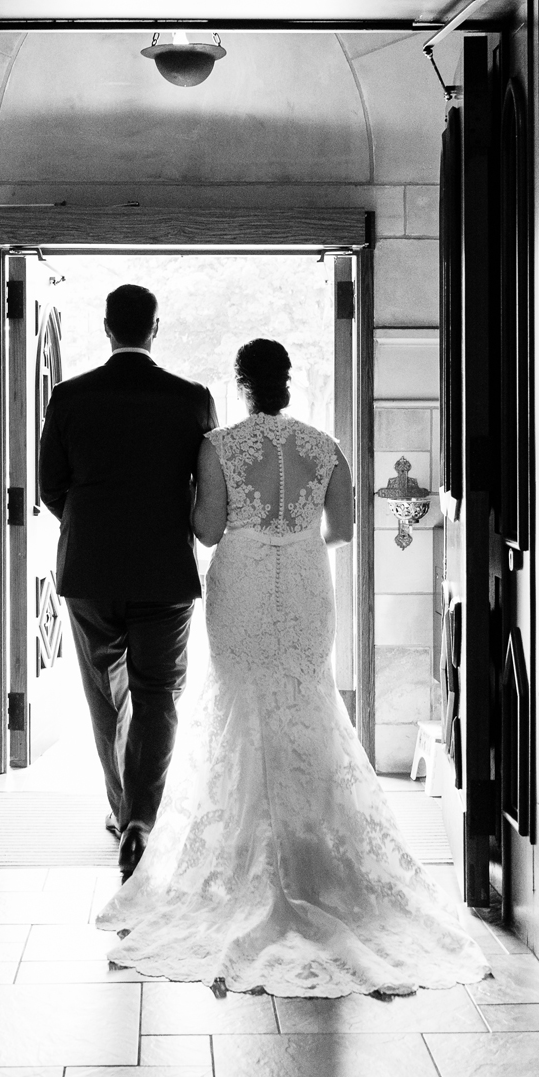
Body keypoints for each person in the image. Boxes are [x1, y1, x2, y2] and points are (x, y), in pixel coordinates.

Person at [95, 339, 491, 998]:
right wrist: (293, 533)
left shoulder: (218, 446)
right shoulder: (323, 445)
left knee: (241, 709)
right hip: (307, 581)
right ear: (285, 381)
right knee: (306, 709)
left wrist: (215, 510)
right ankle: (318, 864)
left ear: (242, 383)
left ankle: (243, 864)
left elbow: (209, 528)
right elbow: (342, 525)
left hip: (243, 583)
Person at [38, 283, 218, 880]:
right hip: (165, 571)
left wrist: (91, 526)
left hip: (89, 569)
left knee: (104, 694)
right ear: (155, 329)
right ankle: (143, 819)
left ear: (107, 327)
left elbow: (50, 489)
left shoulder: (68, 398)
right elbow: (205, 486)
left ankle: (122, 813)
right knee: (157, 692)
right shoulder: (191, 400)